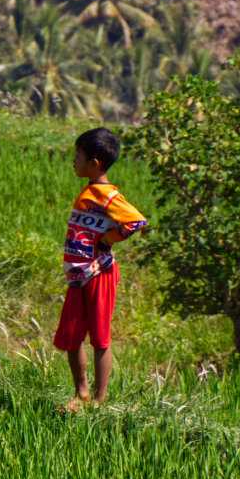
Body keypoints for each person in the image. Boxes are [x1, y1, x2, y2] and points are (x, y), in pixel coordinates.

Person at [54, 127, 146, 412]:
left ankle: (99, 398)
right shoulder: (90, 192)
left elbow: (135, 221)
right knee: (71, 335)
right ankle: (81, 392)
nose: (73, 161)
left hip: (99, 273)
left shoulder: (106, 195)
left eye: (77, 156)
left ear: (94, 163)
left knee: (99, 337)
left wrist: (107, 240)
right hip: (79, 275)